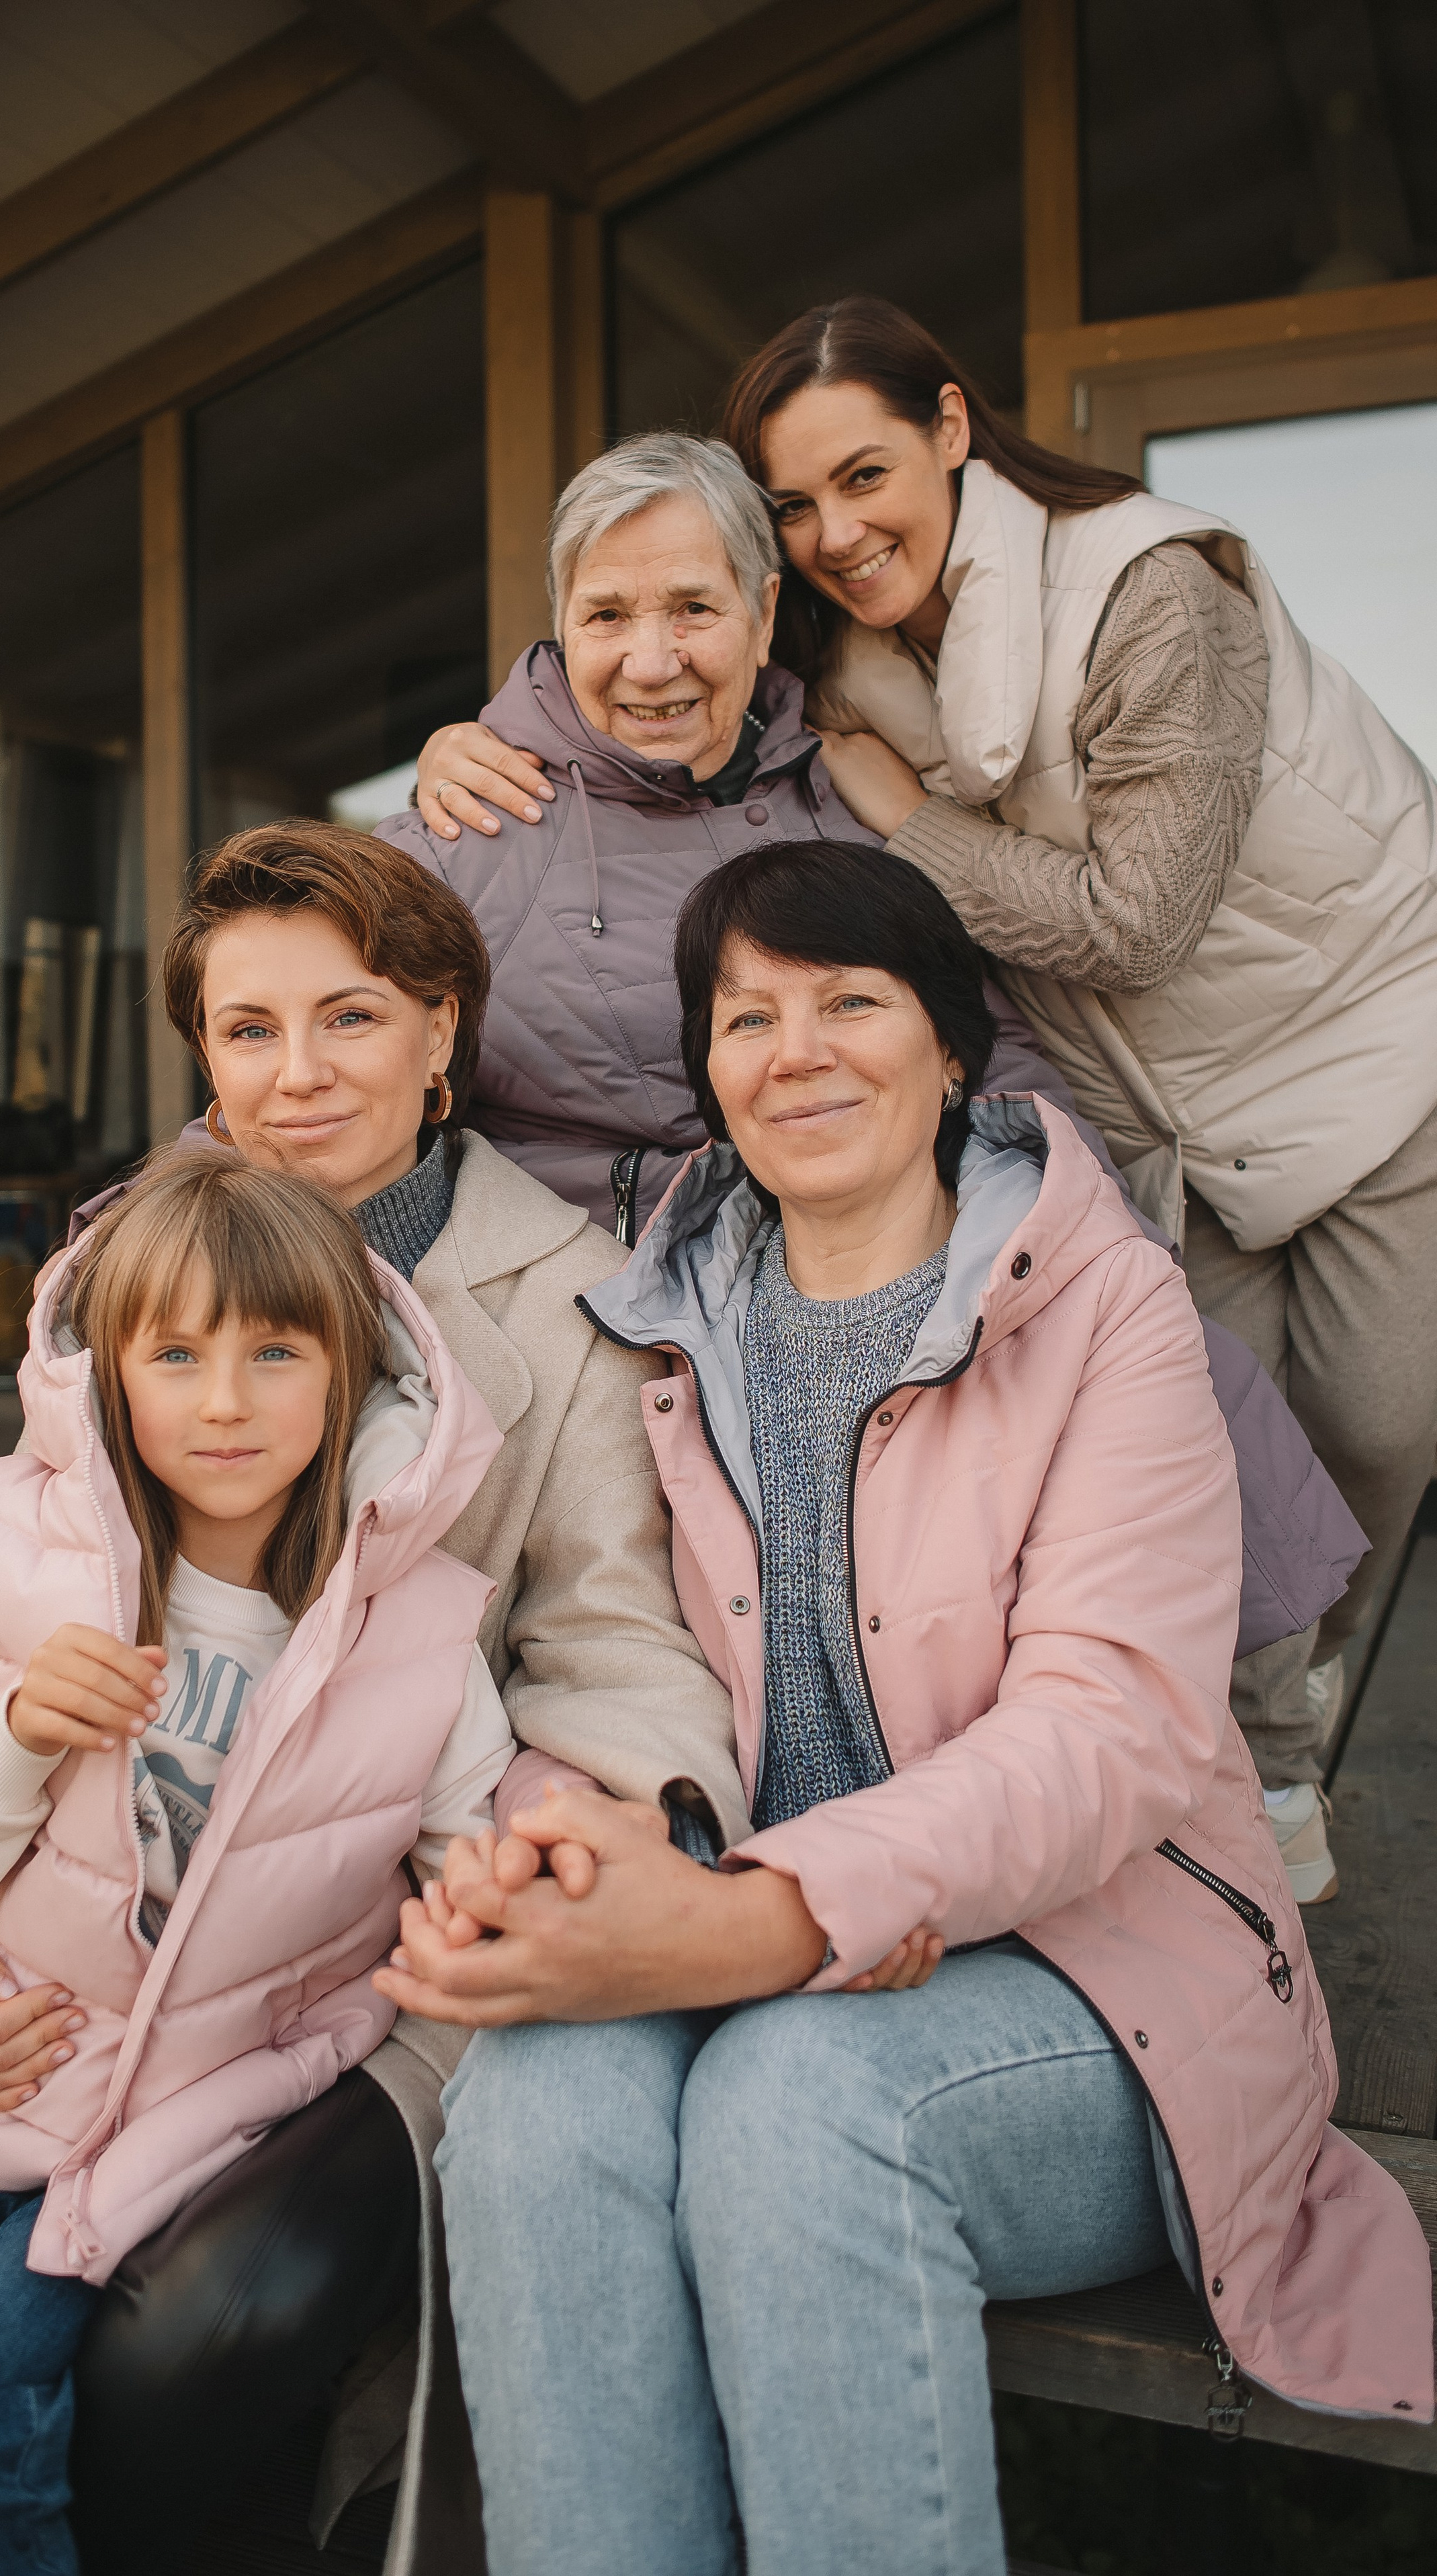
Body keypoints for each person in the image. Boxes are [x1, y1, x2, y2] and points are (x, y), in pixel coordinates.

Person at [380, 839, 1434, 2576]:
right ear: (707, 1070)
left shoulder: (1110, 1312)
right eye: (748, 1016)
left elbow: (1115, 1732)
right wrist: (574, 1857)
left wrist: (760, 1920)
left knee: (798, 2107)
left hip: (1102, 1980)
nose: (796, 1050)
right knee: (537, 2109)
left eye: (850, 1003)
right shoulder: (664, 1313)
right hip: (753, 1932)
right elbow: (606, 1647)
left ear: (954, 1047)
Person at [0, 822, 744, 2575]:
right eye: (249, 1031)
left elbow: (615, 1651)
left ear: (443, 1030)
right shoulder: (125, 1266)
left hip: (365, 1963)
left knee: (197, 2341)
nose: (297, 1075)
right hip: (77, 1944)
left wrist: (563, 1857)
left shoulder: (567, 1307)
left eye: (351, 1017)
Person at [398, 429, 1363, 1891]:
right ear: (556, 624)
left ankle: (1255, 1750)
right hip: (572, 1258)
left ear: (761, 611)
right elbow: (334, 1042)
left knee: (1147, 1337)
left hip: (822, 1228)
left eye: (691, 609)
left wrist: (1065, 1210)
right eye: (604, 615)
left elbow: (963, 1023)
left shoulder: (843, 784)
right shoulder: (474, 812)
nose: (649, 658)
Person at [720, 294, 1437, 1890]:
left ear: (953, 430)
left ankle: (1285, 1682)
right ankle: (1262, 1791)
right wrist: (468, 744)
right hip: (1147, 1094)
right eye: (791, 505)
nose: (832, 534)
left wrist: (901, 818)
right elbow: (654, 676)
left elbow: (1137, 918)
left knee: (1379, 1421)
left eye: (863, 476)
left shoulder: (1152, 588)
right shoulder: (823, 651)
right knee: (1206, 1464)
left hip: (1365, 1027)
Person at [0, 1151, 517, 2575]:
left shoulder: (420, 1646)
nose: (224, 1401)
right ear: (108, 1381)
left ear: (350, 1382)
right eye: (177, 1354)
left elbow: (468, 1900)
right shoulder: (12, 1586)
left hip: (161, 2157)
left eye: (277, 1351)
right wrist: (14, 1737)